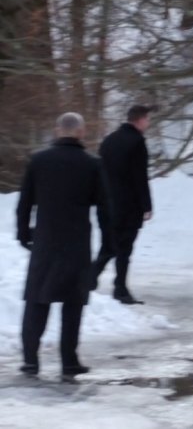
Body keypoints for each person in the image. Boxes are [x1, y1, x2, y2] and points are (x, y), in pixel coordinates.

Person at [16, 112, 108, 380]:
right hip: (77, 243)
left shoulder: (39, 161)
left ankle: (30, 361)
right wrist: (108, 245)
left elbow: (25, 203)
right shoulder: (92, 164)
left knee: (36, 301)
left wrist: (24, 234)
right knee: (72, 303)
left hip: (45, 241)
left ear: (58, 131)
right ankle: (69, 362)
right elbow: (104, 208)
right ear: (81, 132)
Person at [91, 104, 155, 305]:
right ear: (141, 120)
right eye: (148, 119)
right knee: (124, 249)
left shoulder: (109, 140)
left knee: (109, 246)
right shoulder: (137, 143)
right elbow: (139, 177)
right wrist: (146, 205)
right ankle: (120, 289)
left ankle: (87, 279)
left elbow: (100, 171)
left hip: (105, 203)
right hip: (127, 206)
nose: (149, 123)